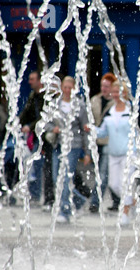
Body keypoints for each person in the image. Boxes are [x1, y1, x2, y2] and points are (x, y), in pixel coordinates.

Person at [45, 76, 91, 223]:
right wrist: (54, 128)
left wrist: (88, 152)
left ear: (74, 88)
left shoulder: (80, 105)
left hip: (74, 145)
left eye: (70, 88)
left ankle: (64, 212)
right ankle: (78, 201)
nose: (67, 90)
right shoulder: (54, 104)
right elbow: (46, 124)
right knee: (55, 178)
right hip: (58, 145)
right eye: (65, 87)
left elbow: (85, 129)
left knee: (65, 178)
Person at [94, 80, 136, 226]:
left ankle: (125, 213)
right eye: (114, 92)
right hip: (113, 153)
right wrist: (92, 130)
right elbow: (103, 132)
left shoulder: (131, 111)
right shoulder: (109, 112)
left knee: (125, 184)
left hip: (128, 154)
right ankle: (133, 201)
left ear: (124, 93)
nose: (116, 95)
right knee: (113, 184)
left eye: (119, 92)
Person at [19, 70, 54, 209]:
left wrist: (30, 127)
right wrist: (17, 123)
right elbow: (26, 113)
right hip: (37, 137)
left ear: (40, 81)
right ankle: (36, 194)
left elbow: (44, 117)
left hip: (47, 137)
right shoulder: (33, 96)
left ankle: (48, 198)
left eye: (32, 79)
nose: (29, 81)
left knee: (47, 168)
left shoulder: (46, 96)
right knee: (35, 165)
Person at [88, 72, 121, 213]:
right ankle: (118, 201)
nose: (104, 89)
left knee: (103, 174)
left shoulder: (116, 103)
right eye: (102, 86)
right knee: (105, 173)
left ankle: (95, 202)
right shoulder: (95, 100)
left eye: (107, 86)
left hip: (109, 142)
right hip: (96, 142)